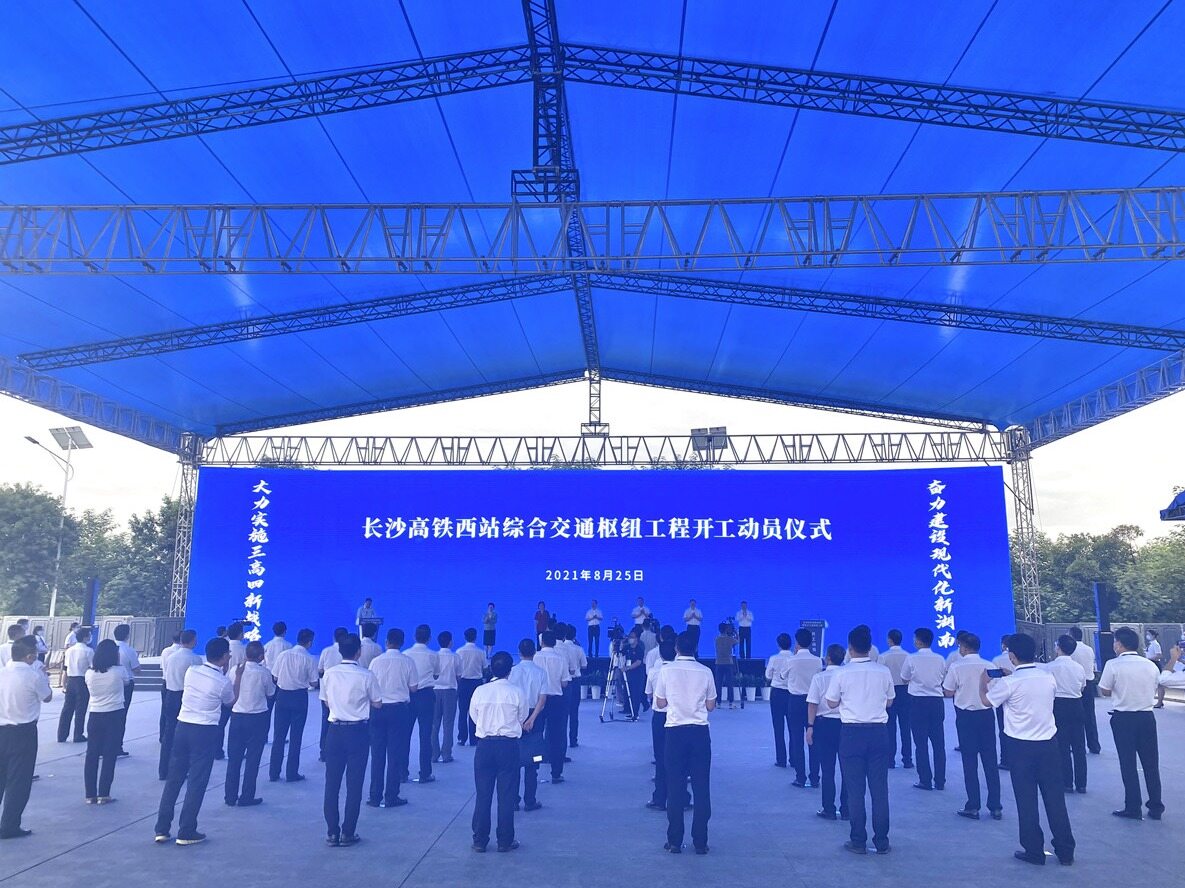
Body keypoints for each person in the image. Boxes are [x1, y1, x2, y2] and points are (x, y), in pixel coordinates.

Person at [982, 632, 1075, 866]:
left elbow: (987, 701)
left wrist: (983, 684)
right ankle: (1066, 850)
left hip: (1020, 747)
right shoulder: (1048, 677)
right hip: (1048, 744)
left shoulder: (1009, 682)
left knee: (1027, 800)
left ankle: (1034, 850)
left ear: (1012, 656)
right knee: (1055, 799)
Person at [155, 636, 242, 846]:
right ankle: (186, 830)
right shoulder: (222, 682)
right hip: (204, 731)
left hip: (183, 726)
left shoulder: (192, 671)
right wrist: (237, 677)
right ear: (224, 657)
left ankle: (162, 828)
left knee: (174, 779)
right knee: (197, 781)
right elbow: (230, 701)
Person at [825, 625, 894, 855]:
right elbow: (890, 701)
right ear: (870, 647)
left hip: (852, 733)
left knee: (855, 789)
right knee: (879, 789)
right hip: (879, 733)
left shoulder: (841, 673)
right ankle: (882, 841)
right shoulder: (883, 671)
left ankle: (858, 840)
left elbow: (831, 702)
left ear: (850, 648)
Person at [654, 631, 716, 854]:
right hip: (699, 732)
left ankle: (674, 841)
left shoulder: (666, 670)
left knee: (675, 786)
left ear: (676, 649)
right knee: (701, 787)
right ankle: (700, 842)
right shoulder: (706, 671)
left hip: (675, 732)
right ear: (695, 649)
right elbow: (710, 706)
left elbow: (660, 702)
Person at [321, 633, 381, 847]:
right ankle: (348, 832)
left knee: (332, 783)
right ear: (359, 652)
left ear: (340, 651)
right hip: (358, 732)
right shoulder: (366, 675)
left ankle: (332, 832)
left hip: (335, 731)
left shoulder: (329, 674)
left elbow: (326, 702)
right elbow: (377, 703)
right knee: (354, 784)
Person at [1098, 626, 1163, 820]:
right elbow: (1155, 686)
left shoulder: (1113, 664)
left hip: (1124, 719)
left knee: (1128, 764)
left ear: (1119, 644)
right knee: (1151, 764)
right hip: (1147, 717)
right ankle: (1156, 806)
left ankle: (1133, 806)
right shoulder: (1150, 665)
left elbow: (1104, 690)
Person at [469, 651, 528, 853]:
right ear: (510, 671)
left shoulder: (480, 691)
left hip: (484, 746)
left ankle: (479, 840)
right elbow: (522, 718)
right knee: (507, 795)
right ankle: (505, 840)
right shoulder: (517, 692)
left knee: (483, 795)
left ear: (491, 668)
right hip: (508, 746)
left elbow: (474, 716)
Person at [942, 632, 1001, 819]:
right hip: (986, 715)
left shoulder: (956, 666)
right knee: (990, 761)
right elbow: (996, 690)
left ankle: (973, 806)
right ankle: (995, 806)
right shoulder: (990, 665)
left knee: (969, 762)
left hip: (966, 717)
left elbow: (948, 691)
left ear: (964, 647)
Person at [0, 636, 52, 839]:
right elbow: (47, 697)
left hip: (1, 729)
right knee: (18, 780)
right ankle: (9, 825)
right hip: (23, 732)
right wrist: (44, 676)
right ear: (29, 656)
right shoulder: (33, 676)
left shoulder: (1, 673)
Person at [368, 628, 416, 809]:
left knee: (377, 754)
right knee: (395, 754)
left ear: (387, 642)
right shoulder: (408, 661)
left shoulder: (375, 661)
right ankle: (391, 795)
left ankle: (374, 796)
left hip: (378, 709)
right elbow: (413, 688)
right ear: (402, 643)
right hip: (399, 710)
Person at [224, 640, 273, 807]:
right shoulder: (264, 673)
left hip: (237, 717)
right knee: (253, 759)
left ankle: (230, 796)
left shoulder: (234, 670)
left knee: (234, 759)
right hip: (257, 718)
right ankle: (247, 795)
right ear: (260, 656)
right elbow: (270, 693)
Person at [900, 627, 946, 791]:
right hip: (936, 702)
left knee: (921, 743)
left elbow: (904, 678)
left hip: (918, 702)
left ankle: (925, 780)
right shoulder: (940, 658)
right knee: (938, 743)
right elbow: (943, 677)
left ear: (919, 641)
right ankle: (940, 781)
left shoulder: (911, 658)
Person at [270, 628, 318, 783]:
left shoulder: (283, 655)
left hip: (282, 696)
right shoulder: (309, 659)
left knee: (278, 736)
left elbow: (274, 677)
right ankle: (291, 773)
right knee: (296, 737)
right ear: (309, 642)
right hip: (299, 698)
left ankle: (273, 772)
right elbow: (314, 682)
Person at [806, 644, 848, 820]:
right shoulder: (847, 675)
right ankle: (847, 809)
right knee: (847, 769)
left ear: (828, 658)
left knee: (827, 768)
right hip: (846, 725)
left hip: (824, 725)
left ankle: (829, 809)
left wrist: (810, 726)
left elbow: (813, 703)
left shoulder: (819, 677)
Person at [1042, 635, 1088, 794]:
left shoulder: (1050, 667)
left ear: (1058, 647)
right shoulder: (1079, 667)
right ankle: (1082, 784)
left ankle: (1067, 782)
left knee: (1062, 746)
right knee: (1079, 746)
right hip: (1076, 705)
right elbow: (1082, 687)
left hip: (1059, 705)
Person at [83, 640, 126, 804]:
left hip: (95, 713)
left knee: (92, 754)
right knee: (109, 754)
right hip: (114, 713)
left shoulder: (89, 673)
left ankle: (90, 794)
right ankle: (104, 793)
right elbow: (127, 681)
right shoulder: (118, 671)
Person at [509, 639, 548, 814]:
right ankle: (530, 800)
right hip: (535, 717)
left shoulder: (512, 672)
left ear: (519, 652)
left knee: (514, 760)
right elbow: (542, 699)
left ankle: (513, 801)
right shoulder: (541, 672)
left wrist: (518, 719)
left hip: (515, 716)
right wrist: (532, 718)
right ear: (534, 652)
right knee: (534, 760)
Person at [159, 630, 200, 780]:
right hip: (185, 696)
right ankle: (181, 768)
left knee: (169, 733)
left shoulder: (171, 657)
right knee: (185, 735)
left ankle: (163, 769)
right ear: (192, 640)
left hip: (170, 694)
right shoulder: (195, 659)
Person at [786, 627, 823, 788]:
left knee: (796, 739)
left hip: (795, 701)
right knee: (813, 739)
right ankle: (815, 777)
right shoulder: (817, 660)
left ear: (797, 642)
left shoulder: (791, 660)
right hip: (813, 702)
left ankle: (800, 777)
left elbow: (782, 676)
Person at [646, 639, 678, 811]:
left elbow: (649, 695)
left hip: (659, 716)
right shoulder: (680, 672)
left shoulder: (654, 672)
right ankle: (681, 797)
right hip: (677, 716)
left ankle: (659, 798)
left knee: (660, 757)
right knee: (678, 758)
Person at [404, 625, 439, 783]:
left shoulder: (406, 654)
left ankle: (402, 772)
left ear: (414, 637)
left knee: (405, 735)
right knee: (426, 735)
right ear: (429, 638)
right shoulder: (433, 655)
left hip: (409, 696)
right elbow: (436, 675)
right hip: (426, 696)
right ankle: (425, 773)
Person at [534, 630, 568, 782]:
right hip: (556, 700)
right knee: (556, 737)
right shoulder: (561, 659)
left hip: (538, 700)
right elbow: (564, 683)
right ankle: (556, 772)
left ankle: (534, 766)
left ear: (542, 642)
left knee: (536, 735)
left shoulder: (535, 657)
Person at [881, 630, 912, 769]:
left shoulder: (883, 657)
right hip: (905, 691)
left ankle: (890, 760)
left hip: (890, 692)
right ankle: (907, 759)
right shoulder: (908, 656)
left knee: (890, 727)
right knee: (906, 727)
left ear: (889, 640)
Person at [318, 627, 348, 762]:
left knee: (326, 721)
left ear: (334, 637)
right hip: (345, 691)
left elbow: (320, 670)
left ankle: (324, 752)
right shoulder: (348, 651)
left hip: (327, 691)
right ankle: (341, 751)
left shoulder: (326, 651)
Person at [1067, 627, 1100, 753]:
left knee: (1075, 717)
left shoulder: (1071, 650)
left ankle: (1076, 744)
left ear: (1071, 636)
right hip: (1089, 684)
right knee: (1090, 715)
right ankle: (1094, 745)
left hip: (1075, 684)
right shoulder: (1089, 649)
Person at [58, 626, 93, 743]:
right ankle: (78, 734)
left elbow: (66, 667)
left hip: (71, 680)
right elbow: (92, 666)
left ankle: (62, 734)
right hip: (82, 680)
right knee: (80, 709)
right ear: (85, 637)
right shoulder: (88, 651)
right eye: (89, 635)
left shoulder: (69, 650)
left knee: (67, 708)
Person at [217, 622, 247, 760]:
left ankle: (217, 751)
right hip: (237, 686)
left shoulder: (224, 646)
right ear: (241, 634)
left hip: (222, 685)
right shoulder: (243, 650)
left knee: (221, 722)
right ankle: (235, 752)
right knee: (236, 725)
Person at [766, 633, 794, 768]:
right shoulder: (794, 659)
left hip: (777, 693)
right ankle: (794, 758)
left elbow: (768, 675)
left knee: (778, 727)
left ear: (778, 645)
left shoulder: (774, 658)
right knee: (793, 728)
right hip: (791, 694)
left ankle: (781, 759)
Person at [431, 631, 458, 764]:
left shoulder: (434, 656)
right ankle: (447, 754)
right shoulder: (455, 657)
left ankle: (433, 754)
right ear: (450, 642)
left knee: (434, 723)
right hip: (450, 691)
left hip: (435, 691)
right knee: (448, 724)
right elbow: (459, 675)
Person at [113, 624, 140, 757]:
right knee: (121, 716)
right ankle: (117, 745)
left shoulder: (108, 648)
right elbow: (136, 669)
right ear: (127, 635)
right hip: (126, 684)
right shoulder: (129, 650)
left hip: (110, 684)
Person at [456, 628, 486, 747]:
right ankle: (474, 738)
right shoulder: (480, 652)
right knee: (475, 711)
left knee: (462, 711)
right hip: (476, 684)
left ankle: (462, 738)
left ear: (465, 637)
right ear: (475, 637)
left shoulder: (459, 651)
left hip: (463, 683)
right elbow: (485, 667)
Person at [561, 624, 587, 747]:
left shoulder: (559, 648)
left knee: (562, 713)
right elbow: (584, 665)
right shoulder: (578, 648)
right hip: (575, 682)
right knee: (574, 712)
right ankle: (573, 740)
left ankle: (561, 741)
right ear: (574, 635)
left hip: (562, 683)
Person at [992, 634, 1015, 769]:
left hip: (1001, 698)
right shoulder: (1019, 658)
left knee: (1003, 729)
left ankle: (1005, 759)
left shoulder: (997, 660)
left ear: (1003, 645)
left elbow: (994, 682)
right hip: (1017, 697)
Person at [622, 628, 646, 720]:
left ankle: (635, 713)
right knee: (628, 692)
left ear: (636, 639)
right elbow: (620, 654)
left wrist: (628, 668)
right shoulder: (627, 647)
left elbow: (638, 662)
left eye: (632, 637)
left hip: (637, 674)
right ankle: (629, 710)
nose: (630, 639)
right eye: (629, 637)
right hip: (628, 674)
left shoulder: (639, 648)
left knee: (636, 694)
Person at [713, 623, 739, 710]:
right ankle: (731, 703)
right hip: (728, 663)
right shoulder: (730, 639)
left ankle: (718, 702)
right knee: (730, 683)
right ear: (726, 630)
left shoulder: (716, 639)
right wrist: (736, 632)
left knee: (718, 683)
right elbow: (738, 641)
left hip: (718, 663)